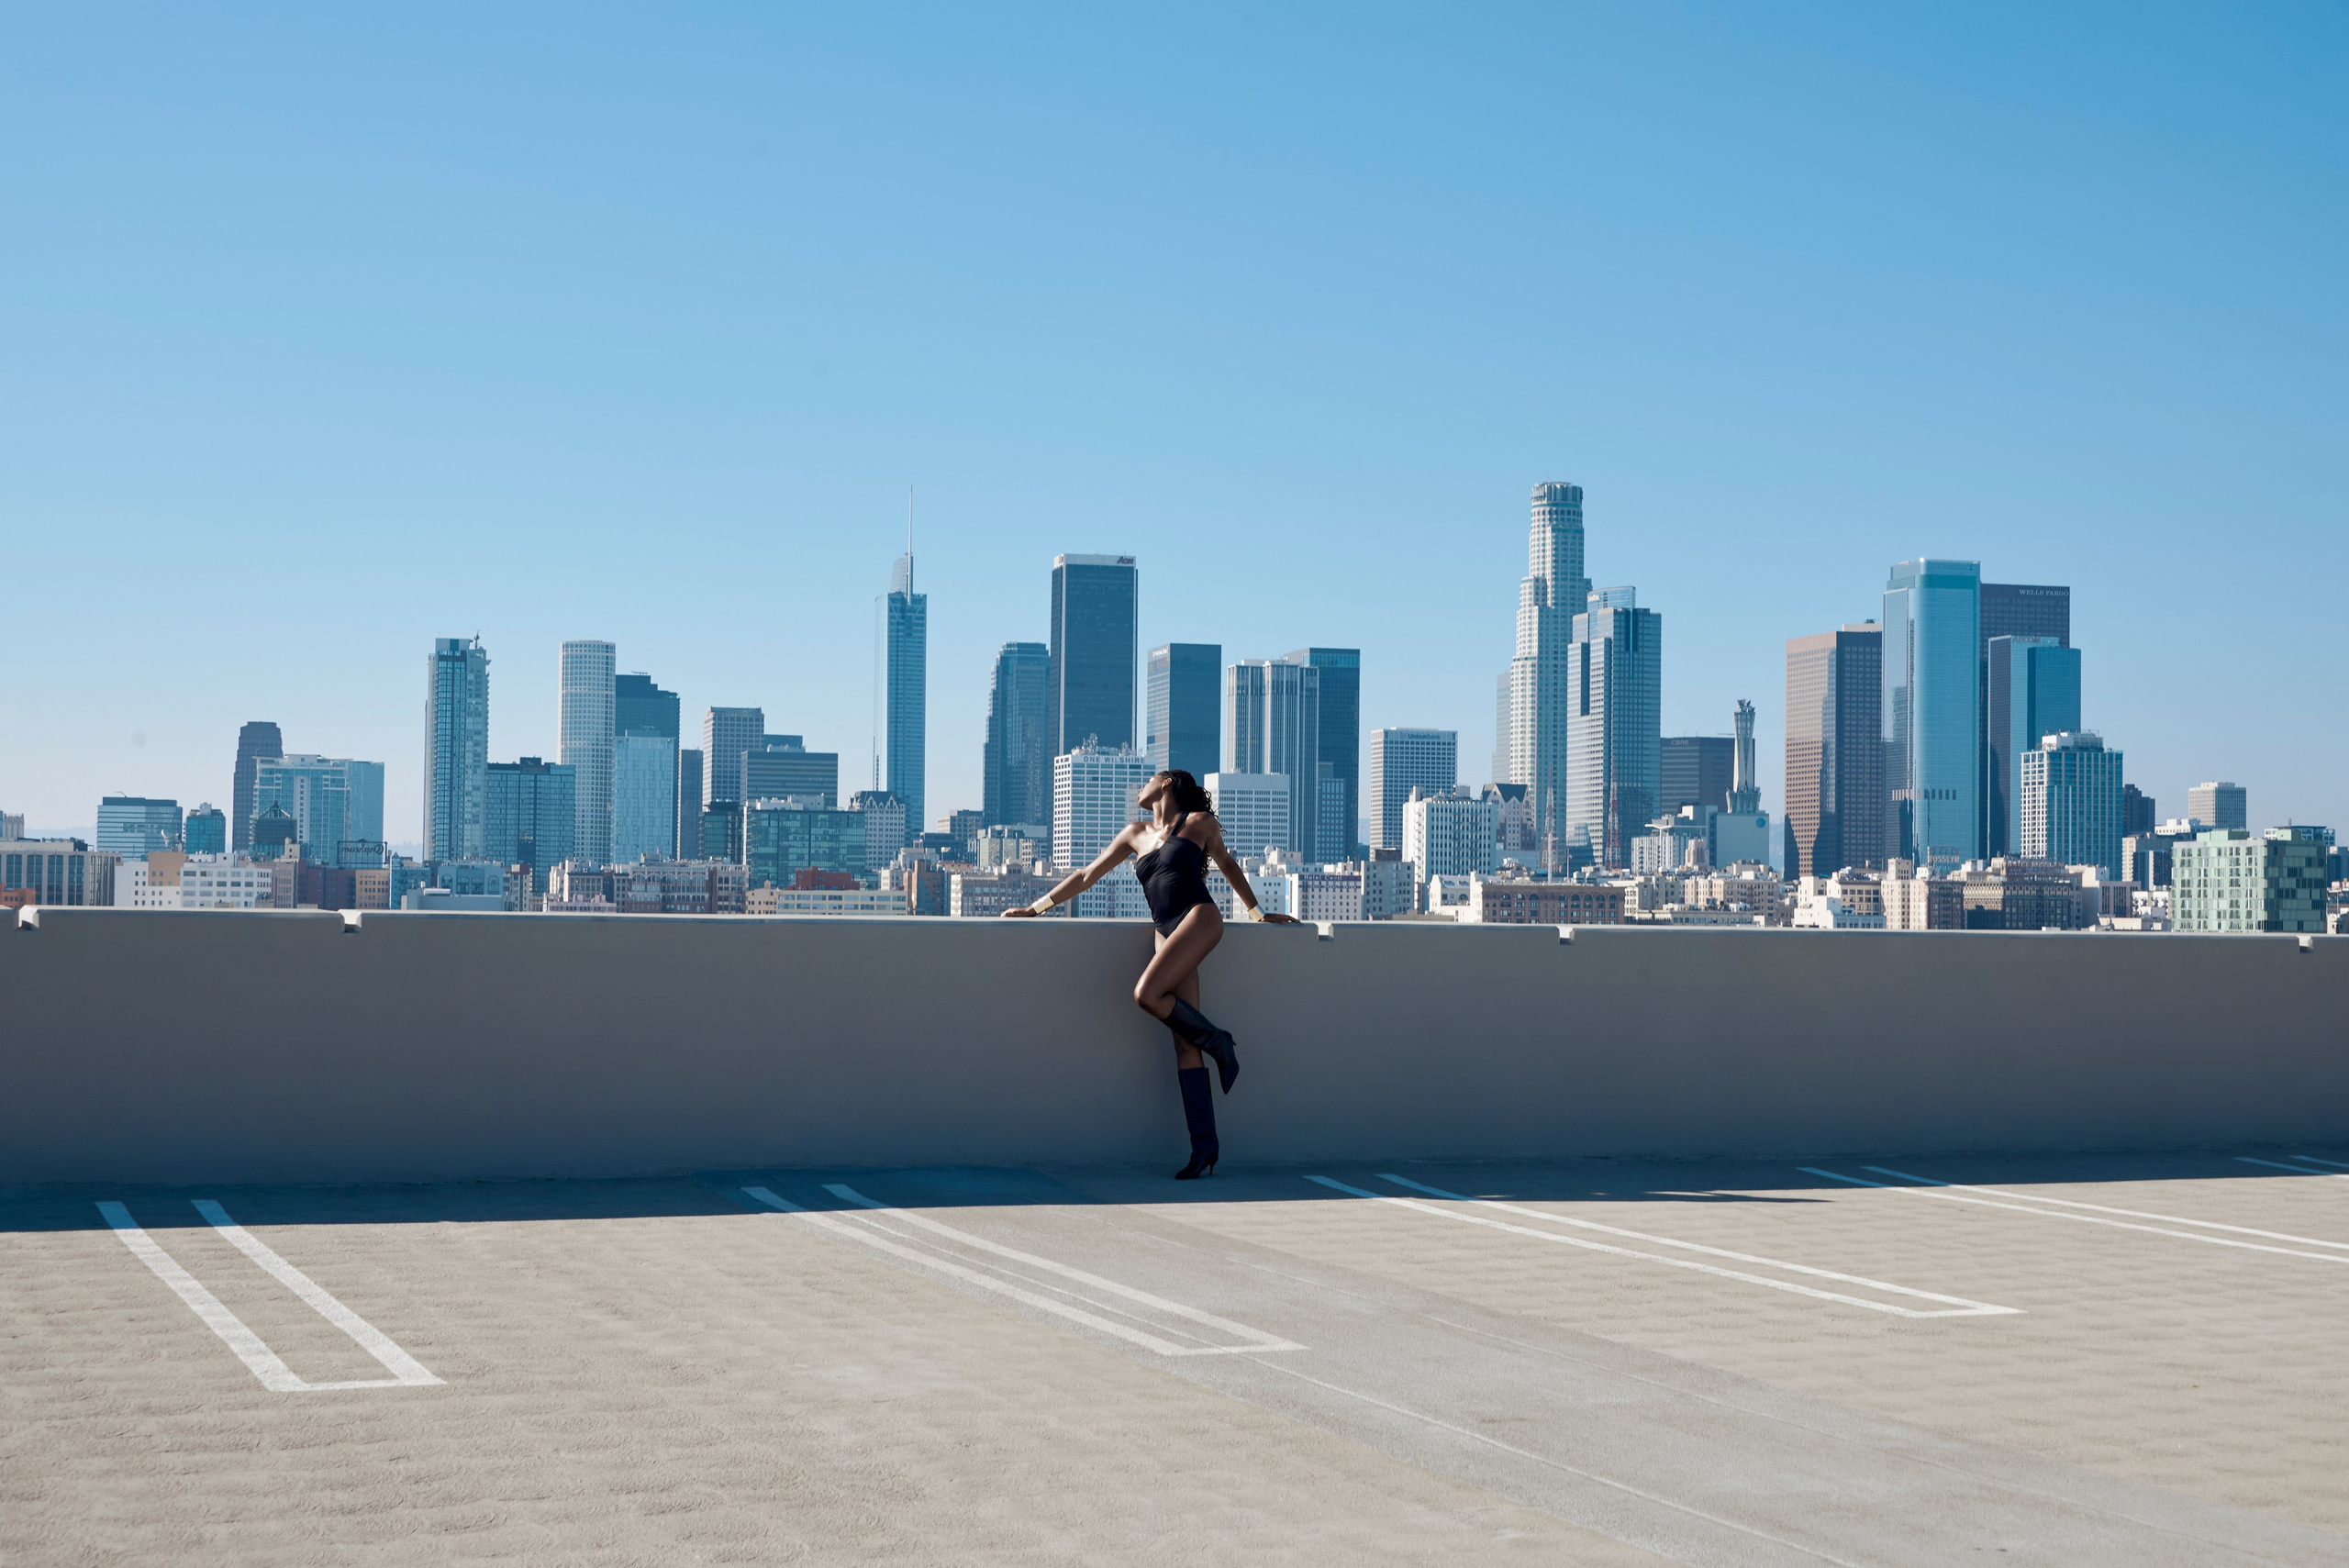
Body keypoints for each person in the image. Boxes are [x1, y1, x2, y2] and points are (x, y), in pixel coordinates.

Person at [1004, 769, 1297, 1178]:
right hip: (1165, 932)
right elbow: (1086, 876)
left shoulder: (1198, 823)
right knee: (1184, 1045)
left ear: (1167, 784)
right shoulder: (1133, 834)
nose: (1139, 787)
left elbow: (1228, 865)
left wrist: (1258, 913)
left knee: (1146, 993)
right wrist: (1034, 909)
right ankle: (1204, 1150)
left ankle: (1221, 1042)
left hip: (1198, 918)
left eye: (1148, 779)